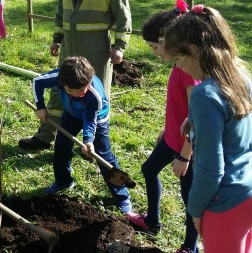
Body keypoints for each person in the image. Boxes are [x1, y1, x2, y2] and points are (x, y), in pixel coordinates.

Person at [163, 5, 252, 253]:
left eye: (179, 59)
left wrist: (195, 209)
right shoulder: (241, 77)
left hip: (224, 202)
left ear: (194, 50)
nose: (178, 67)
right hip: (248, 190)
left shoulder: (204, 95)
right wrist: (194, 119)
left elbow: (211, 168)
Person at [126, 1, 201, 252]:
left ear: (169, 41)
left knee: (189, 200)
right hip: (171, 138)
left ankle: (190, 247)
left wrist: (184, 156)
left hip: (187, 149)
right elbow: (178, 110)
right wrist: (167, 128)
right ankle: (152, 221)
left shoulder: (190, 73)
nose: (154, 52)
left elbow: (195, 119)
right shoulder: (178, 65)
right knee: (148, 169)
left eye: (155, 47)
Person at [18, 0, 132, 150]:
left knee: (96, 96)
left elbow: (124, 17)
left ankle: (95, 146)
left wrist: (119, 46)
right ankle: (44, 137)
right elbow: (60, 14)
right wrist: (57, 39)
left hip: (95, 48)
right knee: (59, 92)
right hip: (68, 47)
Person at [33, 56, 132, 214]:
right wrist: (40, 106)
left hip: (97, 119)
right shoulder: (60, 77)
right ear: (63, 82)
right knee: (61, 145)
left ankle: (121, 196)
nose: (76, 94)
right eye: (70, 91)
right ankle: (64, 181)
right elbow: (37, 81)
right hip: (71, 114)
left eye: (81, 90)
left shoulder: (94, 96)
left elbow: (90, 120)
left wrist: (88, 141)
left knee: (103, 154)